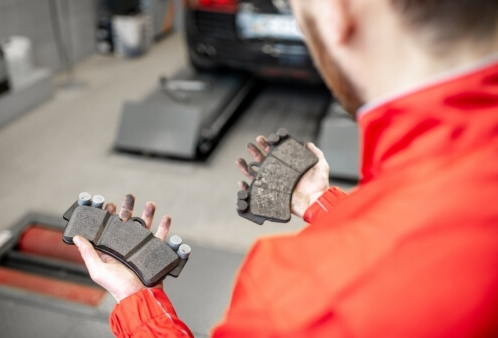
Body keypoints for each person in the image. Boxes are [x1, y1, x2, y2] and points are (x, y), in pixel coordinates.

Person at [73, 0, 498, 336]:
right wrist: (324, 204)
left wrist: (139, 305)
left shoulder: (301, 299)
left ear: (337, 13)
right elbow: (422, 260)